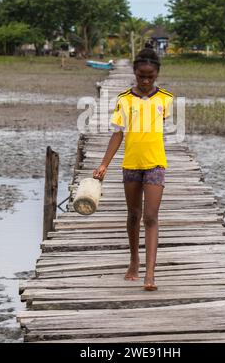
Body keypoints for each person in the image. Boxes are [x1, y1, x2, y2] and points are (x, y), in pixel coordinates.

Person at [93, 49, 173, 291]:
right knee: (133, 215)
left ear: (157, 73)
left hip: (156, 163)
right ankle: (133, 261)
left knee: (151, 217)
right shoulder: (124, 99)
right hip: (131, 165)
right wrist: (104, 164)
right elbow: (118, 134)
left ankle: (150, 273)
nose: (146, 81)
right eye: (141, 76)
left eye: (150, 76)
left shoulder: (166, 99)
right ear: (135, 73)